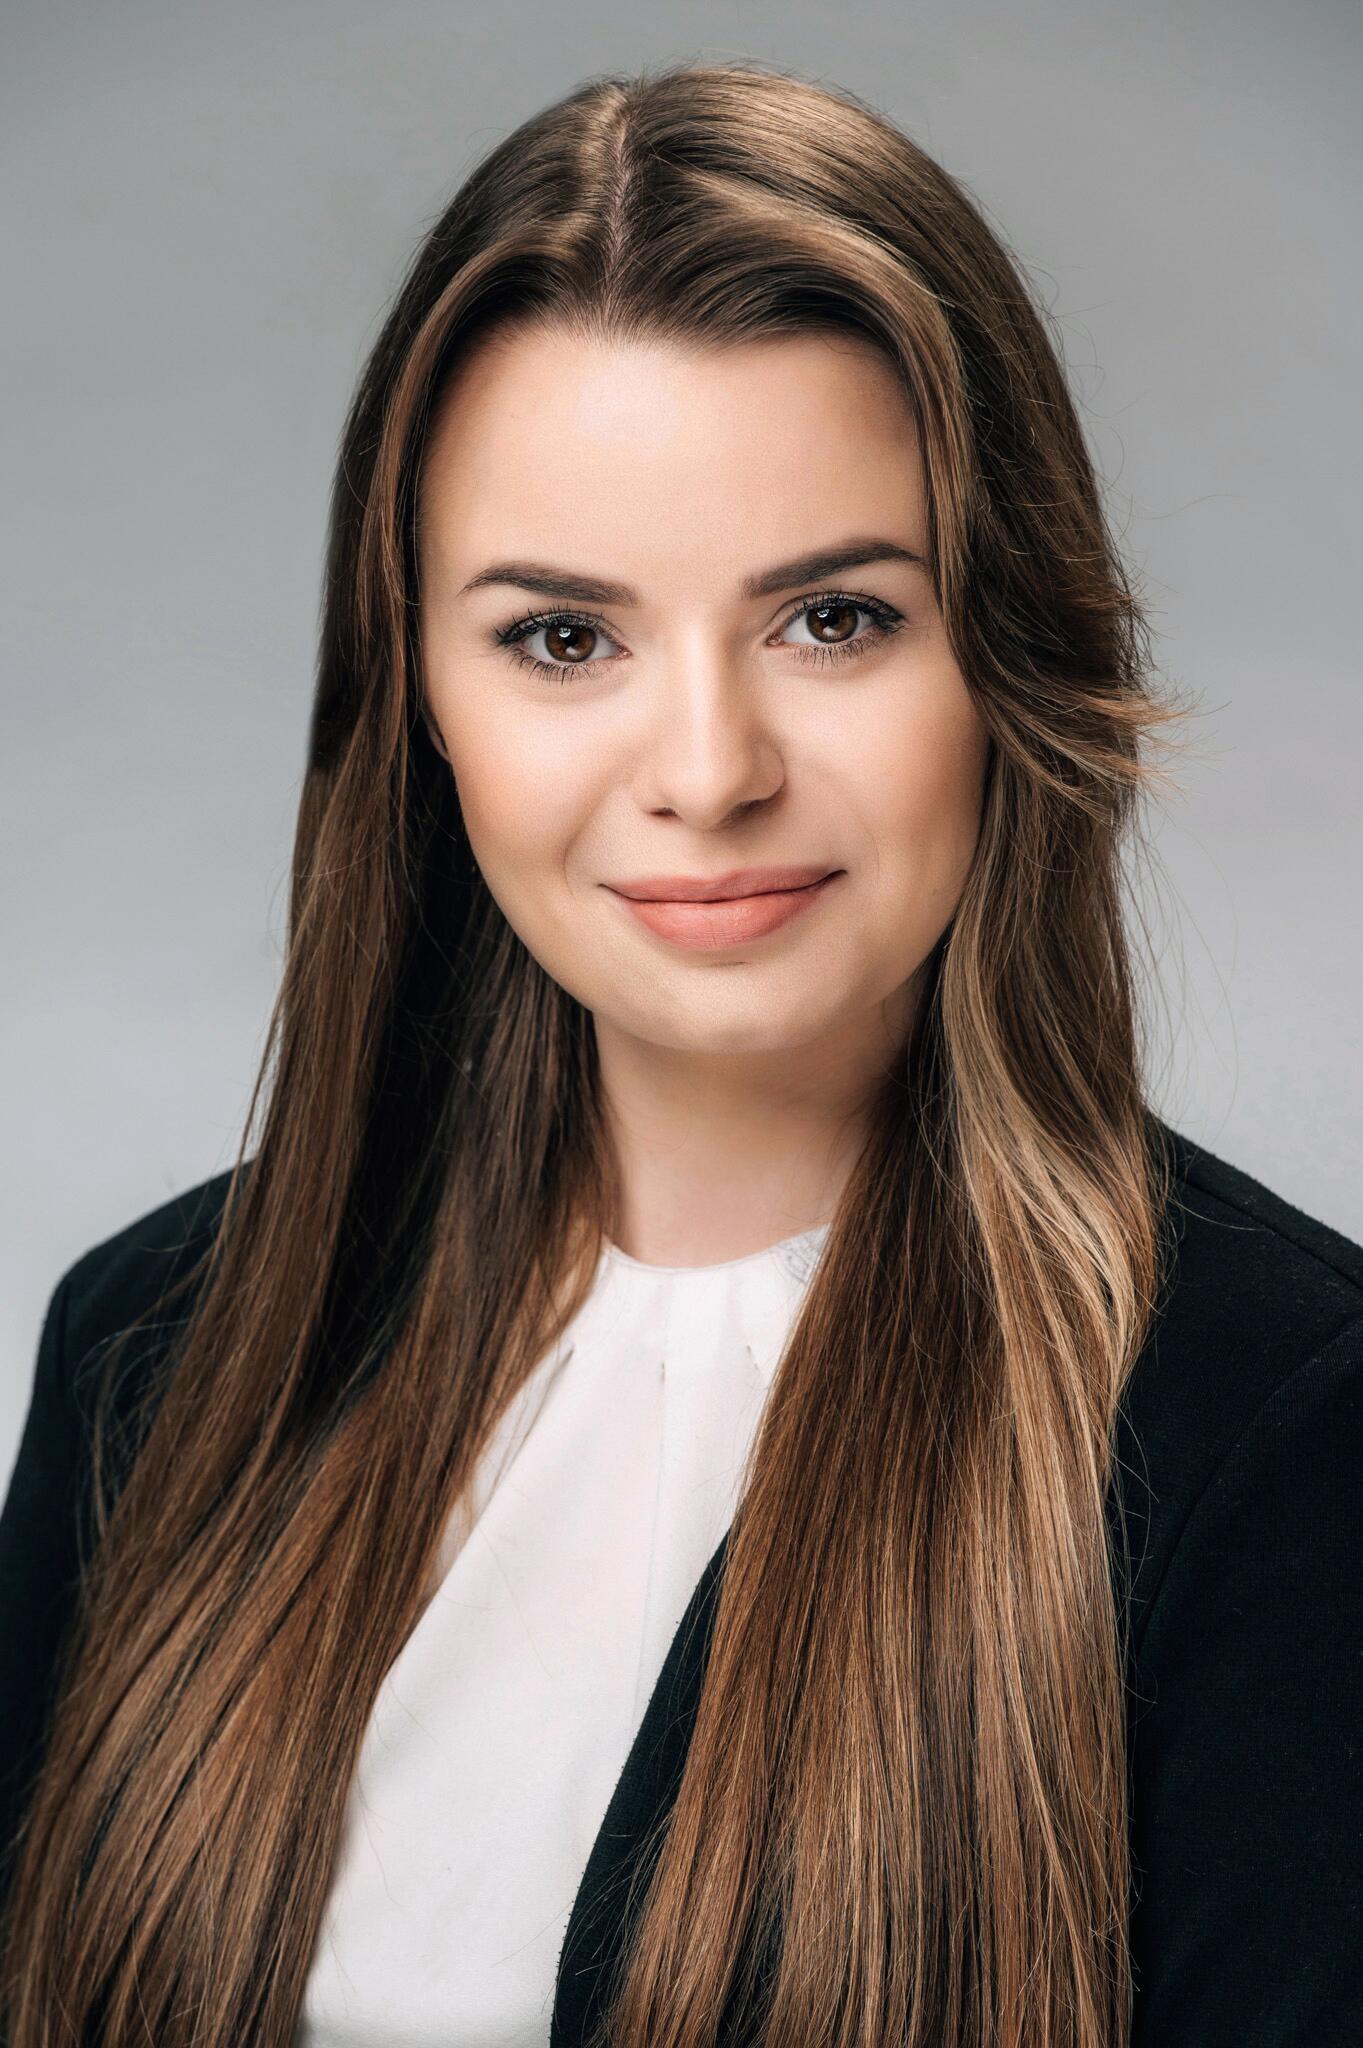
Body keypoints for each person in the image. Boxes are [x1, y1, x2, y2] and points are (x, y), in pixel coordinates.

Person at [1, 58, 1359, 2048]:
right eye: (565, 637)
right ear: (421, 697)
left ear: (1007, 658)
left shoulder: (1285, 1436)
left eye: (833, 619)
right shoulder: (153, 1348)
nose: (709, 771)